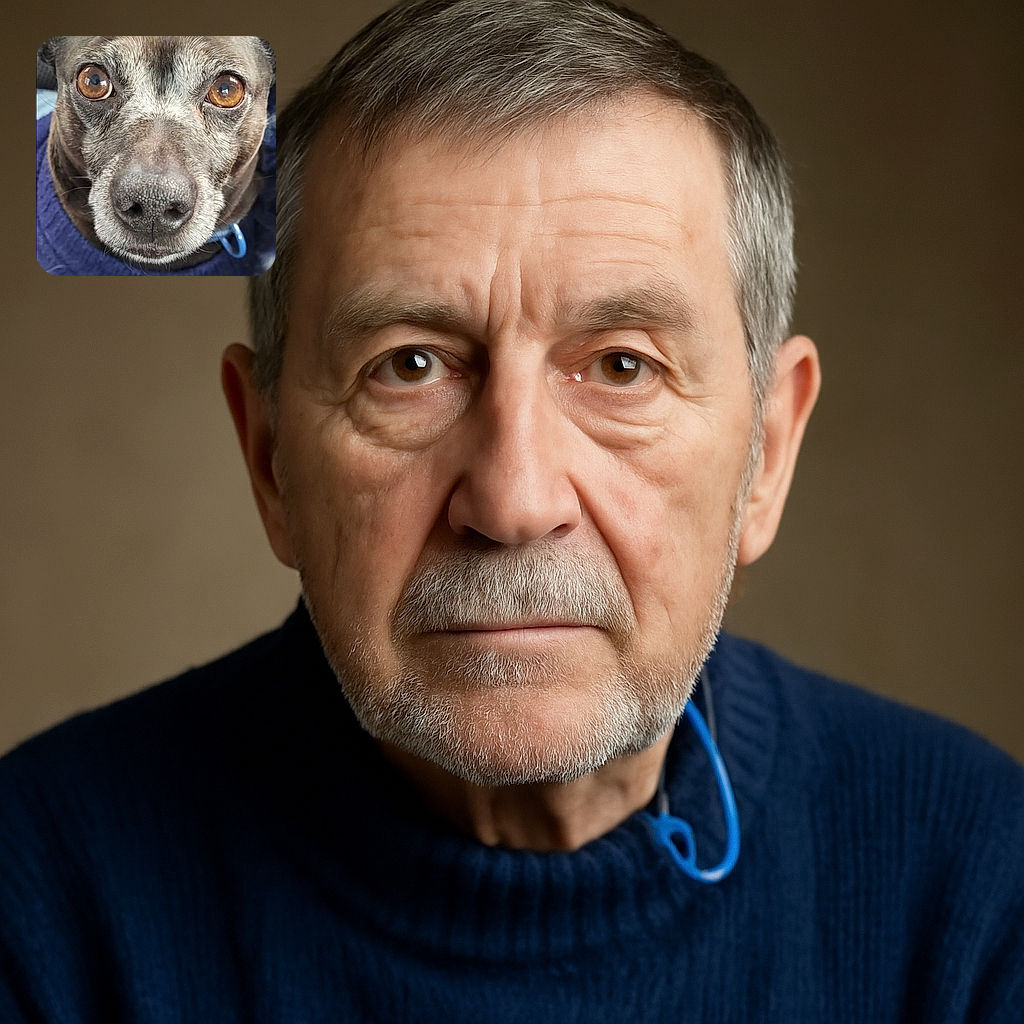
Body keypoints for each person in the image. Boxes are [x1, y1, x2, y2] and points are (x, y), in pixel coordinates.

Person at [2, 1, 1021, 1020]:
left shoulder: (980, 882)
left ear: (766, 454)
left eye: (623, 366)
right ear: (269, 458)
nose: (514, 499)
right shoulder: (37, 898)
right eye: (409, 366)